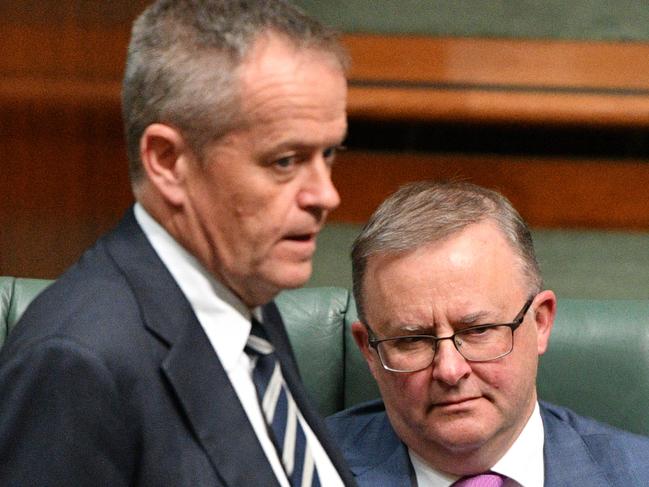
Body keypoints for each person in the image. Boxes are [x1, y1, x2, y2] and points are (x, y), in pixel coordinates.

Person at [0, 1, 355, 486]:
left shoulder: (242, 293)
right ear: (167, 162)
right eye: (285, 161)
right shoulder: (76, 363)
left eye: (329, 152)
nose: (325, 195)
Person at [326, 181, 649, 486]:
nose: (450, 371)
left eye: (479, 330)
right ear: (369, 350)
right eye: (413, 340)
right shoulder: (296, 474)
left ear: (540, 322)